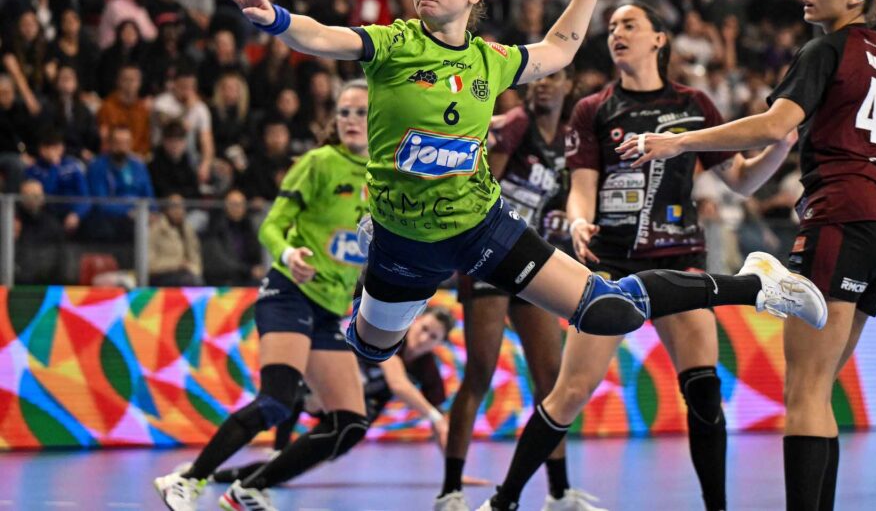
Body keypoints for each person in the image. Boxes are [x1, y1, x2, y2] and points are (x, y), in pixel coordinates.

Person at [220, 0, 824, 375]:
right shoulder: (394, 44)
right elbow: (322, 36)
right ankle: (370, 300)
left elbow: (561, 47)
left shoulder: (492, 60)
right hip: (404, 238)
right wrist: (274, 18)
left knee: (606, 310)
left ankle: (758, 284)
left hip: (481, 225)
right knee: (374, 349)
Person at [616, 0, 876, 511]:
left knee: (805, 391)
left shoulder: (826, 50)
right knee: (820, 389)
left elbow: (773, 126)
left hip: (840, 217)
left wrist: (678, 142)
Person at [481, 3, 797, 511]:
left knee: (704, 393)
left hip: (679, 262)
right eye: (611, 28)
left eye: (629, 25)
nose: (617, 34)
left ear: (659, 39)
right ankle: (504, 500)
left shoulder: (694, 105)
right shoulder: (593, 109)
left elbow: (741, 180)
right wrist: (578, 220)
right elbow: (582, 188)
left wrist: (779, 149)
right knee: (569, 393)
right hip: (613, 266)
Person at [154, 80, 372, 510]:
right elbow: (271, 225)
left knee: (349, 424)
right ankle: (187, 480)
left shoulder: (385, 173)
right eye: (344, 112)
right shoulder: (318, 163)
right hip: (289, 292)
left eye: (361, 112)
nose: (351, 120)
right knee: (276, 401)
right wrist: (289, 253)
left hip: (330, 308)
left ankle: (248, 489)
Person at [437, 67, 603, 511]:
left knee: (551, 378)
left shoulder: (567, 140)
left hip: (532, 261)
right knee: (480, 371)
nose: (543, 83)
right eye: (538, 78)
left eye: (554, 78)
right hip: (490, 258)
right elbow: (480, 190)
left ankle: (559, 493)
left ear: (569, 86)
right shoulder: (514, 125)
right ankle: (450, 491)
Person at [210, 307, 455, 489]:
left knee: (302, 461)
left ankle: (229, 476)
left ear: (440, 343)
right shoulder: (390, 336)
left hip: (356, 413)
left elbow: (441, 423)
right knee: (291, 391)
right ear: (415, 321)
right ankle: (277, 448)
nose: (424, 339)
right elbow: (399, 384)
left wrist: (453, 470)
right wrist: (433, 416)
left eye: (433, 337)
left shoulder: (428, 368)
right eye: (424, 329)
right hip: (328, 387)